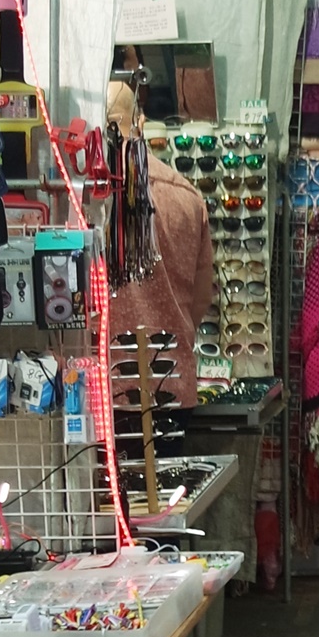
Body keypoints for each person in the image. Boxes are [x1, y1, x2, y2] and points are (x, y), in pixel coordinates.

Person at [105, 79, 213, 409]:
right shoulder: (186, 196)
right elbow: (200, 300)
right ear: (139, 123)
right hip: (171, 390)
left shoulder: (87, 194)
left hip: (103, 394)